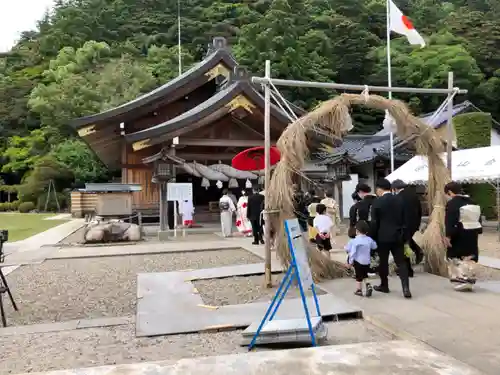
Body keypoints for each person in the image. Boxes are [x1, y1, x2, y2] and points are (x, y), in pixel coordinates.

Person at [371, 178, 411, 299]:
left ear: (379, 189)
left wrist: (372, 238)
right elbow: (406, 219)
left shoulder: (377, 202)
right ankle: (406, 288)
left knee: (383, 262)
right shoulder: (400, 200)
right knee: (401, 262)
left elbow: (374, 223)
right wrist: (405, 235)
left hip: (382, 237)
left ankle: (384, 285)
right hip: (398, 235)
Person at [444, 181, 482, 290]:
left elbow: (450, 220)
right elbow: (478, 219)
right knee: (470, 257)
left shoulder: (452, 204)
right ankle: (469, 278)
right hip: (472, 233)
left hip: (458, 234)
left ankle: (460, 279)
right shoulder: (473, 202)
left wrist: (448, 236)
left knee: (455, 257)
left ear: (450, 192)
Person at [392, 179, 424, 277]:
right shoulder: (414, 196)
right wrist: (417, 224)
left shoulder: (398, 198)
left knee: (403, 246)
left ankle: (408, 270)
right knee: (407, 243)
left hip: (403, 226)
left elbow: (397, 214)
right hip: (413, 225)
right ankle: (417, 251)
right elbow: (420, 210)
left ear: (395, 188)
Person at [345, 220, 377, 297]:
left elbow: (352, 253)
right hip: (367, 261)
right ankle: (368, 285)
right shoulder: (369, 239)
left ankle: (359, 290)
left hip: (358, 262)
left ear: (357, 231)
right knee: (365, 275)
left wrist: (350, 262)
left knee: (359, 276)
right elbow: (375, 246)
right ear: (366, 232)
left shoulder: (355, 241)